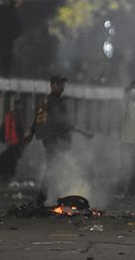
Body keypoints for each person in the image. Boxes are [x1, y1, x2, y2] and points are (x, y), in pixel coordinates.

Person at [28, 75, 93, 206]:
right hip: (53, 140)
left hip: (60, 140)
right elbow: (46, 120)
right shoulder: (50, 101)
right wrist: (81, 131)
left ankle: (52, 198)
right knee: (53, 168)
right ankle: (43, 199)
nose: (62, 87)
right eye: (59, 84)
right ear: (52, 85)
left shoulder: (59, 101)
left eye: (63, 84)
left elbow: (64, 121)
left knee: (56, 169)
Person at [0, 98, 26, 180]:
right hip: (13, 142)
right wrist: (8, 140)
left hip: (17, 142)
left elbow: (20, 130)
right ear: (16, 106)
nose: (21, 107)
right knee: (11, 159)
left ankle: (7, 174)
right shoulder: (11, 116)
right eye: (19, 105)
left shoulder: (19, 116)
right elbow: (8, 129)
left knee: (12, 159)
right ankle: (6, 174)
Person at [0, 0, 22, 77]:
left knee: (6, 52)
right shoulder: (2, 8)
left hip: (8, 34)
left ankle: (4, 71)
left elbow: (17, 5)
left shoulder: (9, 9)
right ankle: (2, 70)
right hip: (3, 33)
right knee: (3, 52)